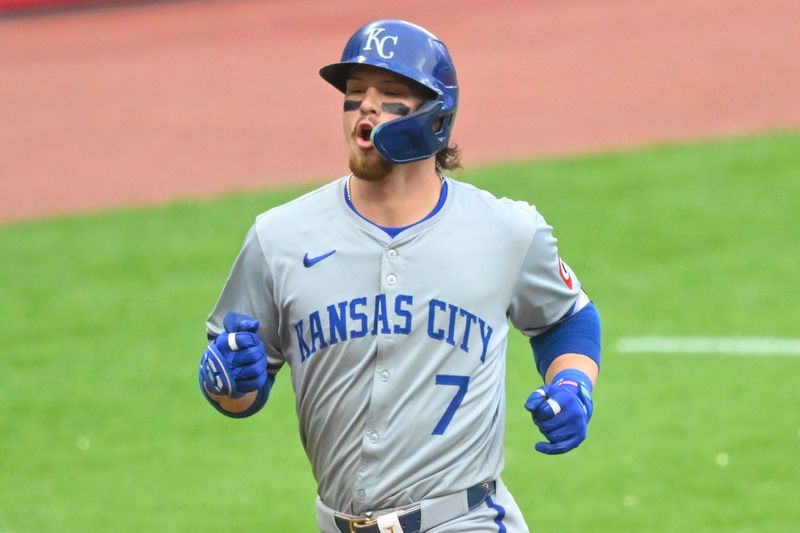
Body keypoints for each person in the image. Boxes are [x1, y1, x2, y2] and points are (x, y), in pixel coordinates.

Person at [198, 19, 601, 533]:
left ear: (437, 118)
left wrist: (572, 384)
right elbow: (238, 390)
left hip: (464, 519)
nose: (365, 106)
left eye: (390, 94)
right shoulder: (279, 237)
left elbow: (566, 318)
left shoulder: (505, 231)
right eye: (354, 93)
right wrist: (225, 380)